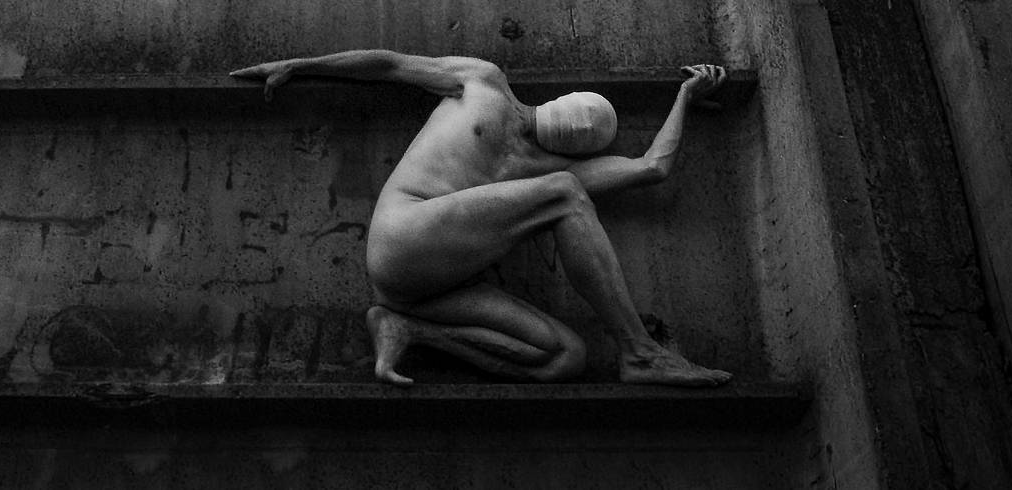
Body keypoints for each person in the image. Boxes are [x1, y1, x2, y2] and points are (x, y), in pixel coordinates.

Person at [230, 50, 732, 387]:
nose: (576, 129)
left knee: (566, 357)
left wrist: (685, 96)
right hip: (403, 233)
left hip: (420, 291)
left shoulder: (537, 157)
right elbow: (651, 166)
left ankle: (408, 329)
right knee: (566, 191)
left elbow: (650, 168)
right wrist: (299, 65)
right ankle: (640, 351)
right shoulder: (487, 88)